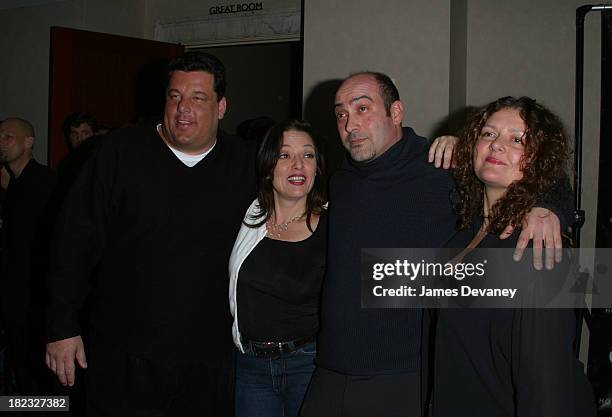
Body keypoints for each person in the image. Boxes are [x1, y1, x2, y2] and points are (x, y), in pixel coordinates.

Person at [300, 72, 570, 417]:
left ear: (396, 112)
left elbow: (538, 169)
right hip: (330, 369)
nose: (350, 124)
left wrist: (550, 207)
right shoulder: (341, 179)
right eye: (340, 114)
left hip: (405, 375)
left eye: (363, 108)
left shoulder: (439, 164)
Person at [45, 52, 255, 416]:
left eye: (197, 98)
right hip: (123, 356)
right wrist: (61, 326)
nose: (182, 108)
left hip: (210, 361)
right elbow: (71, 242)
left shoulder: (247, 164)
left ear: (222, 107)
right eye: (174, 96)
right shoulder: (118, 153)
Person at [430, 96, 595, 416]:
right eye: (488, 134)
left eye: (517, 139)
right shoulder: (463, 236)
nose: (496, 146)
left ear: (538, 160)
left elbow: (547, 390)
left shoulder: (537, 250)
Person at [229, 119, 327, 417]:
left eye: (308, 155)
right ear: (268, 165)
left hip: (308, 365)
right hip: (250, 366)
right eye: (285, 155)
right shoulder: (246, 216)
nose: (298, 164)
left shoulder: (335, 225)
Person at [0, 118, 56, 394]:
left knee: (34, 373)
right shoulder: (14, 187)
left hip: (32, 298)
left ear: (28, 143)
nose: (1, 142)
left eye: (8, 136)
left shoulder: (43, 183)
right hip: (16, 295)